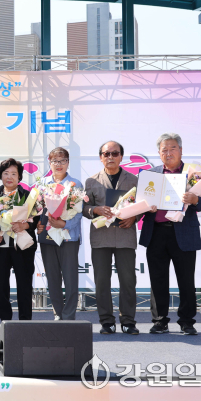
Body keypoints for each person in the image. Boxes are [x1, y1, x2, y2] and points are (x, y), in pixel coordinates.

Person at [140, 133, 201, 336]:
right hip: (156, 232)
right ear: (159, 153)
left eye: (172, 148)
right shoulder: (150, 175)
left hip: (183, 233)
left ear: (181, 150)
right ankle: (160, 321)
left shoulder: (192, 174)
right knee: (157, 279)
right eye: (164, 150)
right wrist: (147, 207)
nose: (168, 153)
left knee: (186, 280)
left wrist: (195, 199)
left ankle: (187, 321)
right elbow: (140, 203)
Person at [83, 141, 140, 335]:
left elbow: (143, 205)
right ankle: (106, 321)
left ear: (121, 157)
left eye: (115, 153)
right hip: (101, 238)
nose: (110, 157)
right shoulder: (91, 181)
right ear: (100, 157)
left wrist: (134, 217)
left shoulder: (134, 180)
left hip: (125, 236)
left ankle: (128, 321)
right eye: (106, 154)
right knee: (102, 282)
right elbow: (83, 208)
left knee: (128, 281)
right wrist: (95, 209)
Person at [0, 159, 38, 321]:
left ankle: (25, 321)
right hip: (0, 247)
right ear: (1, 176)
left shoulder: (27, 196)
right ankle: (5, 320)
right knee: (0, 285)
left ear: (19, 177)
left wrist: (24, 225)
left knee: (24, 285)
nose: (9, 177)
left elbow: (37, 219)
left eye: (13, 174)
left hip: (23, 247)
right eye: (6, 173)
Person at [36, 147, 82, 321]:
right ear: (49, 162)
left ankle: (69, 315)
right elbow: (36, 209)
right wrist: (38, 224)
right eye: (55, 161)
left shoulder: (75, 184)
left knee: (70, 278)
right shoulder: (42, 184)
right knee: (52, 277)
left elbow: (79, 212)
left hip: (69, 236)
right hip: (48, 236)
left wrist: (64, 224)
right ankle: (58, 312)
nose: (59, 164)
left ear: (68, 162)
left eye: (63, 160)